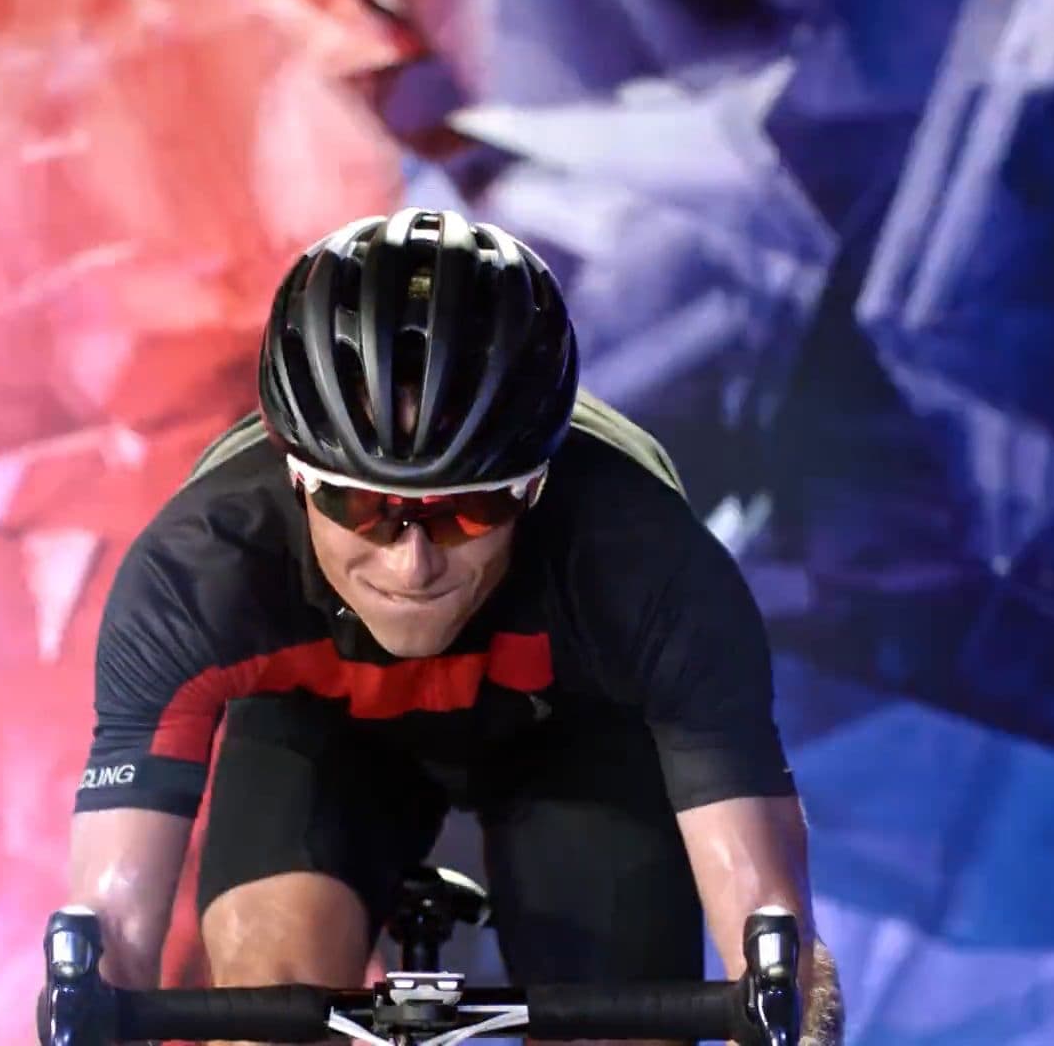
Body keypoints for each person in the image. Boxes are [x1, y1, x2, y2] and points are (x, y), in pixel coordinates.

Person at [66, 208, 843, 1045]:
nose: (412, 566)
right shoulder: (198, 569)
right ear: (296, 479)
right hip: (319, 735)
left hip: (576, 737)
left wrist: (789, 1013)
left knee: (627, 1023)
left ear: (537, 486)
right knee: (266, 1005)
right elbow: (111, 944)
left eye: (469, 512)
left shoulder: (649, 562)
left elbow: (769, 943)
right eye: (360, 506)